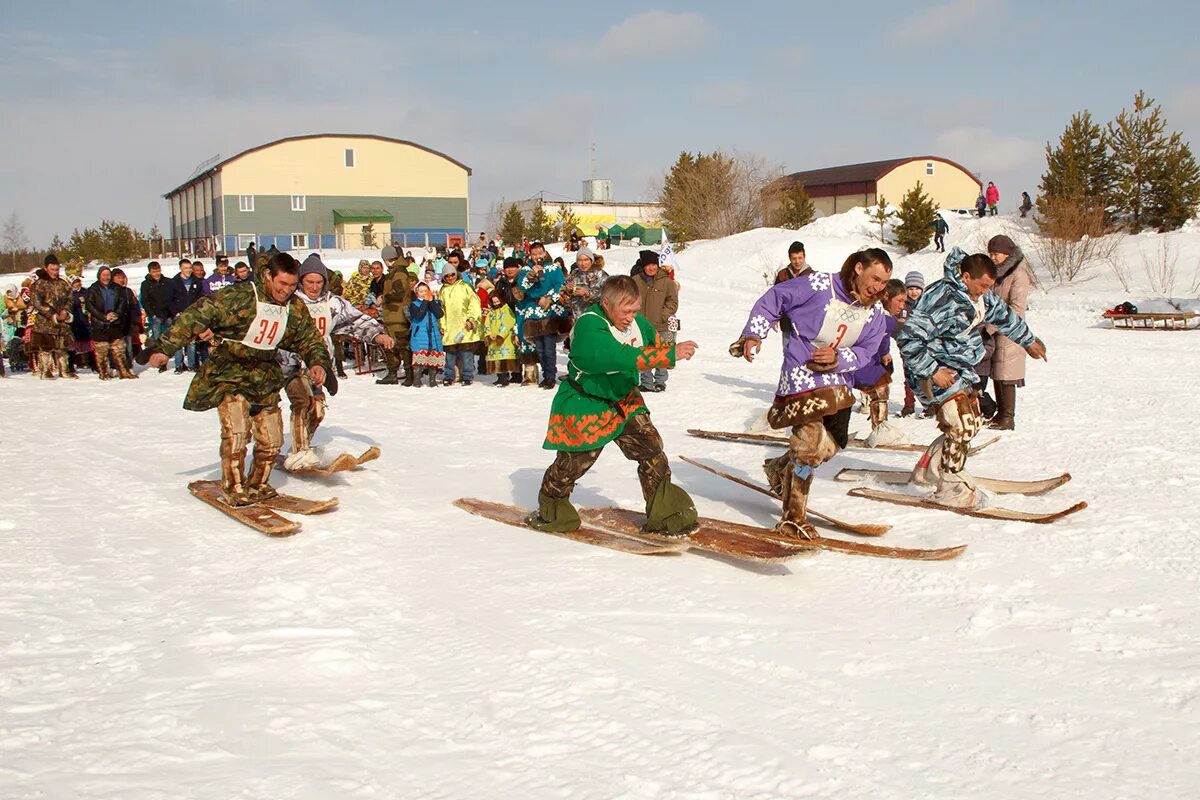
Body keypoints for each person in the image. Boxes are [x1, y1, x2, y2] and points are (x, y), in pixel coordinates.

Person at [145, 252, 331, 507]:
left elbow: (309, 339)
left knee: (272, 439)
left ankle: (258, 485)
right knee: (238, 433)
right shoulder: (241, 296)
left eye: (291, 285)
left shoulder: (293, 307)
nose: (287, 291)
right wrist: (164, 348)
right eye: (282, 284)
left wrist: (318, 362)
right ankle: (233, 486)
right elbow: (197, 314)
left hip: (264, 376)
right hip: (229, 372)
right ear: (268, 276)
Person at [731, 248, 894, 539]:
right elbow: (774, 298)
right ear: (858, 269)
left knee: (830, 447)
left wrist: (839, 360)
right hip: (801, 375)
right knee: (809, 447)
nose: (878, 288)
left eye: (884, 283)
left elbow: (867, 350)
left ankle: (780, 468)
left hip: (838, 383)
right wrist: (754, 334)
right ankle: (793, 519)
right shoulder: (818, 285)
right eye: (875, 279)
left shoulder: (875, 312)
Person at [526, 275, 700, 536]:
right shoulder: (589, 326)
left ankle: (667, 515)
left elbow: (656, 344)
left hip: (624, 401)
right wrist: (667, 354)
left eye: (635, 310)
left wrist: (670, 347)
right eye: (625, 310)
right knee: (575, 462)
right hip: (588, 403)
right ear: (606, 304)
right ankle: (552, 509)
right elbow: (617, 357)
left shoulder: (636, 322)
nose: (631, 317)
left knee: (651, 450)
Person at [897, 248, 1046, 508]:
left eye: (990, 287)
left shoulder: (983, 298)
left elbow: (1006, 318)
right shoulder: (940, 297)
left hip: (959, 368)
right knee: (960, 423)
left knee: (973, 421)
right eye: (982, 286)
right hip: (929, 369)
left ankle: (929, 467)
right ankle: (950, 485)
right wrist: (933, 371)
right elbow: (909, 339)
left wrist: (1029, 341)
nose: (985, 292)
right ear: (966, 276)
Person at [278, 255, 393, 470]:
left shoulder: (332, 302)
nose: (314, 287)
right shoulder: (289, 301)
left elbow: (356, 320)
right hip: (292, 364)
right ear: (301, 280)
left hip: (321, 364)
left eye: (318, 282)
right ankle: (300, 451)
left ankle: (300, 446)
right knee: (303, 402)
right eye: (309, 282)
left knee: (318, 409)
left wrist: (377, 335)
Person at [976, 235, 1033, 430]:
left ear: (1007, 254)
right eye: (990, 253)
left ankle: (1008, 417)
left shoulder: (1018, 274)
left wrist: (992, 326)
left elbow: (1017, 307)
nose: (993, 257)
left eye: (996, 254)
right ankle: (1000, 414)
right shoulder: (997, 274)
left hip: (1010, 332)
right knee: (997, 374)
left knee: (1007, 375)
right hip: (994, 331)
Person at [853, 279, 908, 447]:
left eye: (904, 302)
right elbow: (890, 327)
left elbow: (884, 336)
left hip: (868, 361)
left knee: (881, 386)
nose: (902, 306)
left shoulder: (886, 315)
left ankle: (880, 429)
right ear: (886, 296)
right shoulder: (876, 313)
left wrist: (884, 353)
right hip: (854, 360)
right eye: (899, 301)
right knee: (879, 387)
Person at [517, 242, 568, 389]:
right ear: (530, 255)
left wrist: (550, 297)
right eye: (534, 254)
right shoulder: (526, 270)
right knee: (539, 348)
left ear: (545, 253)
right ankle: (546, 375)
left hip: (550, 310)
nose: (537, 256)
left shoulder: (553, 268)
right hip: (534, 311)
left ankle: (550, 376)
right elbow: (522, 286)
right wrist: (532, 275)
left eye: (540, 253)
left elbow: (560, 284)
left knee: (549, 346)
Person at [634, 251, 678, 393]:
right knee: (645, 352)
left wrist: (663, 315)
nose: (651, 268)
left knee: (661, 353)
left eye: (653, 265)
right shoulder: (635, 280)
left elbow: (672, 302)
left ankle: (660, 381)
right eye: (648, 265)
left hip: (661, 324)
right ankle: (646, 382)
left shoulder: (666, 281)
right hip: (641, 325)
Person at [29, 254, 76, 380]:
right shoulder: (39, 284)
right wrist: (51, 314)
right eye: (52, 269)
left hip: (62, 322)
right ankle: (45, 371)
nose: (55, 272)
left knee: (62, 348)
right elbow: (37, 302)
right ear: (46, 268)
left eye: (57, 269)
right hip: (45, 323)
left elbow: (70, 298)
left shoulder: (63, 284)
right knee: (45, 349)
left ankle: (64, 371)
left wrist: (65, 311)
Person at [375, 245, 415, 385]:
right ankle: (392, 373)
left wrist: (384, 298)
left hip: (398, 316)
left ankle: (410, 376)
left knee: (403, 347)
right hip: (391, 316)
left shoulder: (398, 273)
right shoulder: (394, 272)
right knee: (390, 347)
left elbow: (399, 293)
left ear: (386, 259)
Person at [438, 256, 482, 386]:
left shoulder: (465, 287)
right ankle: (449, 375)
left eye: (452, 275)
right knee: (450, 355)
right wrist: (442, 325)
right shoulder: (443, 290)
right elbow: (442, 311)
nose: (451, 278)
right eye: (447, 276)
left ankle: (467, 375)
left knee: (466, 353)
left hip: (464, 326)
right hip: (450, 327)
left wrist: (471, 319)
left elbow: (474, 304)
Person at [85, 266, 134, 380]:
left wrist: (116, 314)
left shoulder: (116, 288)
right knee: (101, 352)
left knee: (119, 350)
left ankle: (124, 372)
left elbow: (122, 303)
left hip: (115, 323)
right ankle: (104, 373)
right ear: (99, 276)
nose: (106, 278)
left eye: (108, 275)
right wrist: (103, 317)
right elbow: (90, 306)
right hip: (100, 324)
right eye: (104, 275)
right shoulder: (93, 289)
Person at [492, 256, 525, 386]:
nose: (510, 270)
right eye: (507, 267)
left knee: (516, 345)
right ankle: (503, 375)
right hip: (505, 317)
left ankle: (517, 374)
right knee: (503, 345)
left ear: (517, 268)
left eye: (512, 267)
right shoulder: (501, 283)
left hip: (519, 315)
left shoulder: (522, 281)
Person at [562, 246, 609, 332]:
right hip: (577, 320)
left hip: (596, 318)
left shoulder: (600, 274)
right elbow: (563, 295)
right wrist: (568, 291)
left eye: (586, 260)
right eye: (580, 260)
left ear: (591, 260)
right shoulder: (574, 274)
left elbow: (609, 295)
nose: (583, 263)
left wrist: (589, 293)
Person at [407, 281, 445, 387]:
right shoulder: (413, 304)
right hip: (420, 335)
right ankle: (417, 380)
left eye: (425, 291)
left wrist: (432, 301)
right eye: (421, 291)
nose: (423, 293)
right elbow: (419, 315)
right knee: (419, 358)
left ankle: (432, 380)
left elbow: (440, 314)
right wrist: (425, 302)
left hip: (433, 334)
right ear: (417, 293)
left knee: (433, 357)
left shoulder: (434, 302)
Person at [168, 258, 202, 373]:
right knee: (179, 342)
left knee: (191, 341)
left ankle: (192, 364)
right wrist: (176, 312)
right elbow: (169, 300)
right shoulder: (173, 282)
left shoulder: (196, 281)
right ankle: (179, 365)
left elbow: (200, 298)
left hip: (192, 315)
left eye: (189, 268)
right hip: (179, 315)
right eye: (185, 268)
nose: (188, 270)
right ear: (181, 268)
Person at [899, 271, 925, 417]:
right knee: (909, 377)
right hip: (907, 348)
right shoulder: (903, 305)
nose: (914, 292)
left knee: (924, 376)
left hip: (924, 348)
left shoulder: (927, 303)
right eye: (911, 289)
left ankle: (930, 404)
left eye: (917, 288)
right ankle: (909, 404)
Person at [483, 290, 518, 385]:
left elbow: (508, 323)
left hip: (504, 340)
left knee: (503, 359)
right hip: (493, 340)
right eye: (494, 302)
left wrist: (500, 335)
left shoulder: (506, 310)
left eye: (497, 302)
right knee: (496, 359)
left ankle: (505, 378)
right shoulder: (491, 313)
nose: (496, 304)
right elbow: (487, 324)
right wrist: (488, 334)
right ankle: (499, 377)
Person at [111, 268, 142, 369]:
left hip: (128, 324)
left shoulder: (128, 291)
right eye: (118, 277)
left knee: (128, 347)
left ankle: (129, 366)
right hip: (115, 324)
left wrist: (136, 320)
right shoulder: (110, 291)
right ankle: (116, 366)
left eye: (122, 277)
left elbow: (135, 306)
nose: (121, 280)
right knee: (116, 347)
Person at [140, 261, 173, 351]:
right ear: (150, 272)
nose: (156, 274)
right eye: (154, 272)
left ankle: (169, 352)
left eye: (158, 271)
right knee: (156, 337)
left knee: (172, 336)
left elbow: (172, 297)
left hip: (168, 314)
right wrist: (152, 314)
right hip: (156, 315)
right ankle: (156, 353)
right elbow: (145, 300)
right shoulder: (146, 284)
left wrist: (172, 311)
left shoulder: (167, 282)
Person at [68, 276, 92, 374]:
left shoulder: (85, 292)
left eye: (78, 282)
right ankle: (72, 364)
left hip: (85, 319)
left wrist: (85, 299)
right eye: (74, 282)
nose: (77, 284)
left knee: (89, 341)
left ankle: (90, 361)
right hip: (74, 320)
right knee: (73, 343)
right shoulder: (69, 294)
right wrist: (77, 300)